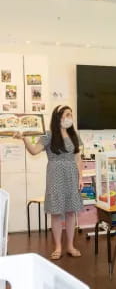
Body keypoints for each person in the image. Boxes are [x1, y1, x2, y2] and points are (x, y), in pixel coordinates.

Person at [14, 105, 83, 260]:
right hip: (55, 175)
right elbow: (34, 151)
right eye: (67, 114)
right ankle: (58, 247)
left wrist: (81, 177)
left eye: (71, 115)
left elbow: (78, 158)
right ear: (59, 117)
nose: (70, 117)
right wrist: (24, 139)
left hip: (72, 175)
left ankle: (70, 246)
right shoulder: (48, 135)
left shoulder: (74, 135)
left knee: (71, 212)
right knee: (57, 212)